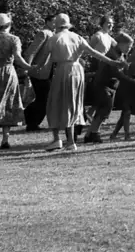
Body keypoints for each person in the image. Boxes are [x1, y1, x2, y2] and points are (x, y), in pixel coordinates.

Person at [29, 13, 107, 152]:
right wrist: (112, 62)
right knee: (72, 104)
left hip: (62, 71)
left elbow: (42, 61)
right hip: (77, 71)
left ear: (57, 25)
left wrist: (29, 68)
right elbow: (94, 53)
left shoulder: (54, 39)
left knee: (55, 103)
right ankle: (69, 140)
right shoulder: (77, 37)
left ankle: (58, 139)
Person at [0, 13, 31, 150]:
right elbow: (18, 57)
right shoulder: (14, 39)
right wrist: (29, 67)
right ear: (8, 25)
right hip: (8, 72)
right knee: (9, 104)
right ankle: (5, 139)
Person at [85, 30, 132, 144]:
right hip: (103, 85)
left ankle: (89, 134)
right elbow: (116, 72)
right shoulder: (112, 54)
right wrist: (131, 81)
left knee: (103, 110)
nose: (128, 49)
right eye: (127, 46)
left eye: (130, 47)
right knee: (105, 108)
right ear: (120, 43)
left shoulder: (120, 54)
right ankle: (94, 133)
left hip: (111, 86)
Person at [21, 11, 56, 132]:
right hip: (39, 71)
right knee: (44, 99)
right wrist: (27, 67)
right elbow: (31, 51)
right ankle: (30, 121)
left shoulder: (53, 34)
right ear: (47, 22)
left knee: (43, 99)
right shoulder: (44, 33)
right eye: (53, 21)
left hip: (48, 72)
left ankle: (28, 119)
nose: (56, 24)